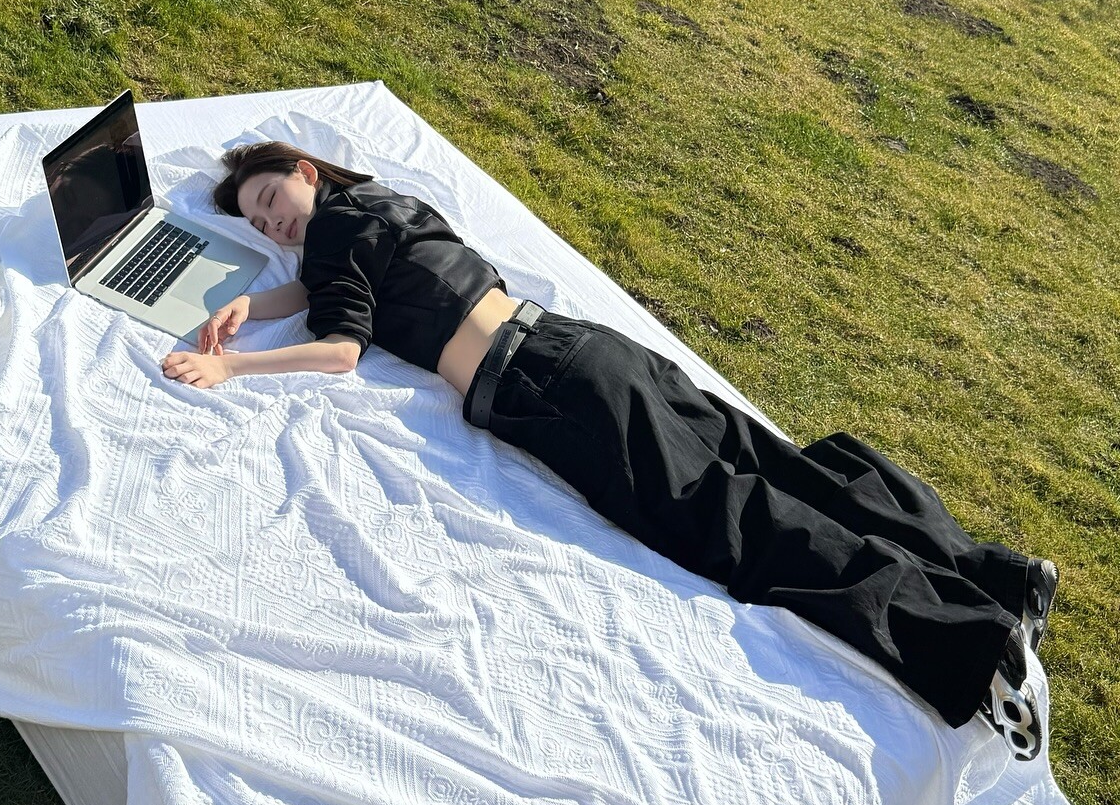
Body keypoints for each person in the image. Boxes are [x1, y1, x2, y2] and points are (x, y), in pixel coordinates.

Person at [160, 141, 1059, 763]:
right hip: (580, 345)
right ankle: (996, 576)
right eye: (261, 227)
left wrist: (230, 366)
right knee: (771, 462)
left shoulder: (329, 238)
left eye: (271, 204)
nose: (274, 228)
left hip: (541, 388)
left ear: (306, 173)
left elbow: (340, 349)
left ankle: (970, 649)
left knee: (726, 519)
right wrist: (254, 301)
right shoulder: (374, 205)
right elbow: (334, 286)